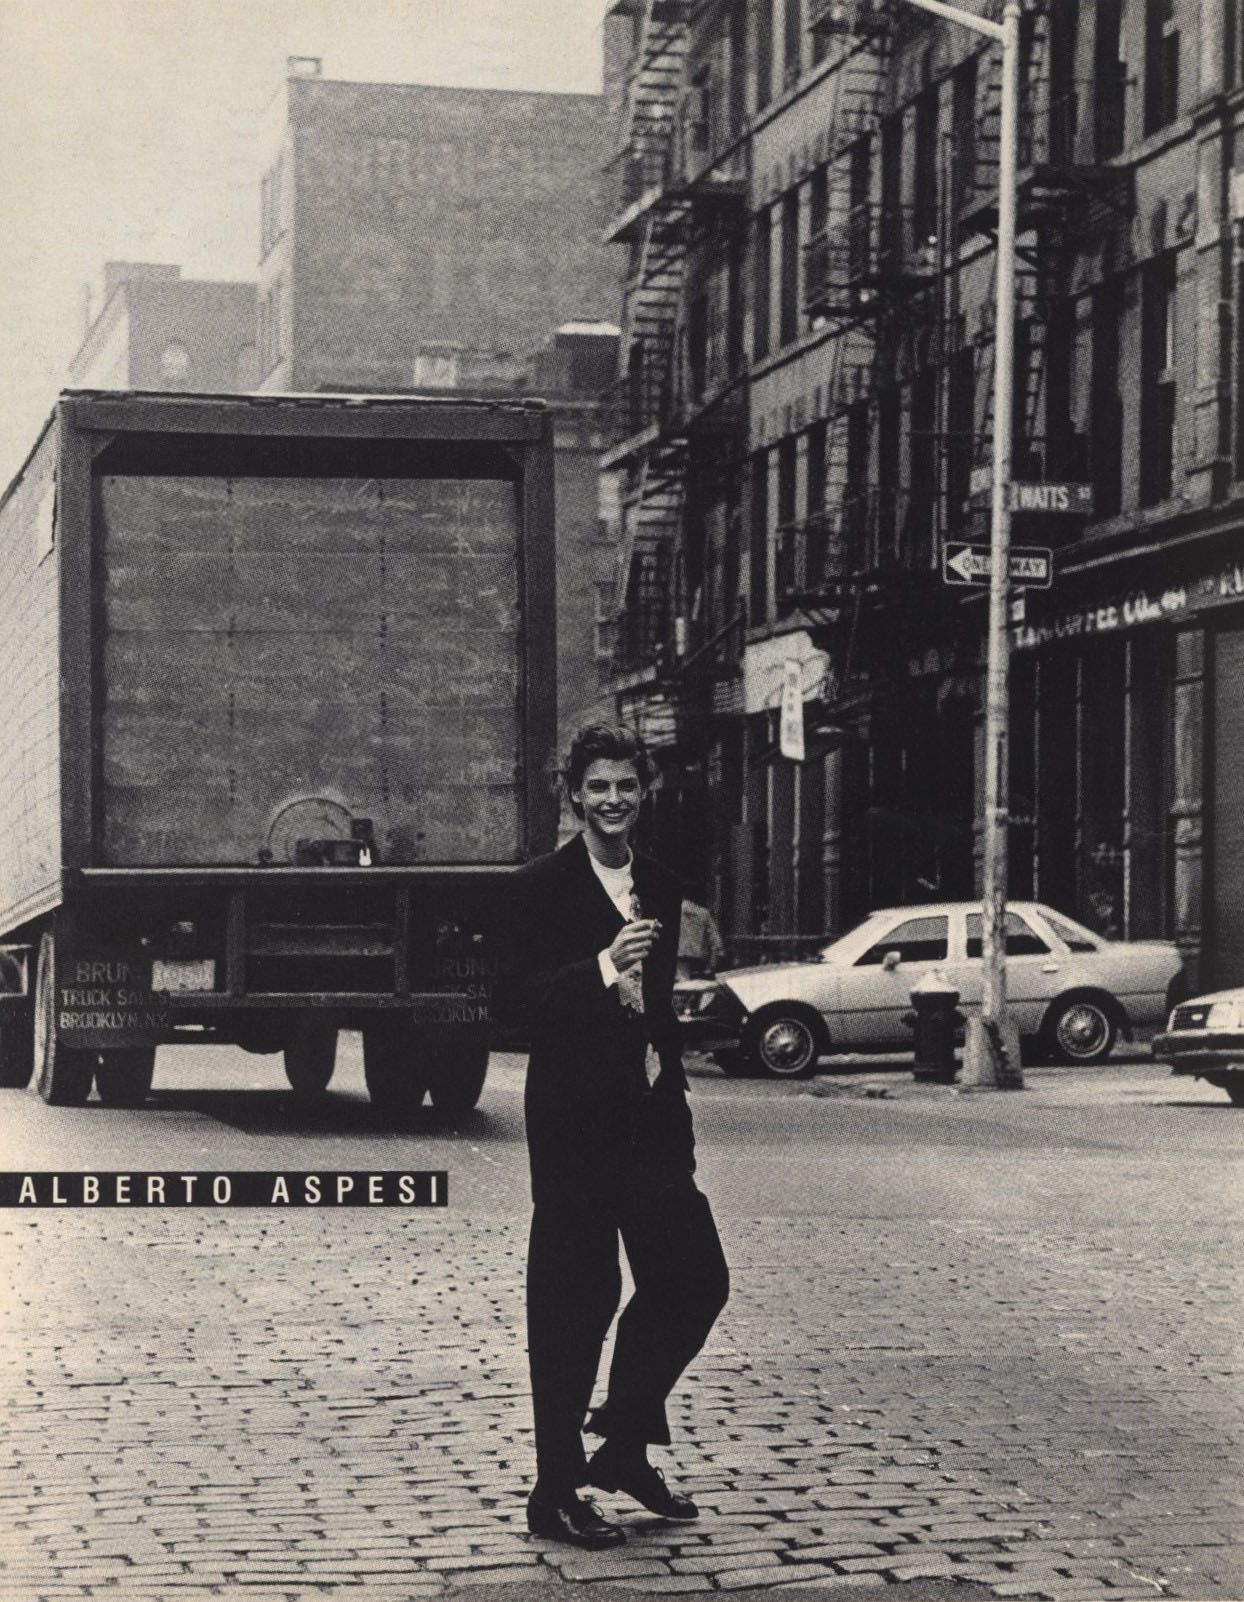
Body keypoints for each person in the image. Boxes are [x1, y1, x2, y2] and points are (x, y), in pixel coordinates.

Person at [497, 724, 730, 1551]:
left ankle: (625, 1442)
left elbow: (657, 1002)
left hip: (654, 1123)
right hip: (575, 1126)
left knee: (696, 1279)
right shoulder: (541, 887)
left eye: (626, 786)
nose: (613, 801)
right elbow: (510, 1005)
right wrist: (601, 966)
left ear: (644, 793)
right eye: (598, 787)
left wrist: (681, 1040)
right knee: (573, 1303)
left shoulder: (661, 885)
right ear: (575, 796)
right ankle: (555, 1490)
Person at [677, 889, 726, 980]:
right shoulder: (704, 913)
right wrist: (712, 963)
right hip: (699, 958)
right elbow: (716, 941)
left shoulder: (672, 912)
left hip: (679, 958)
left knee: (681, 987)